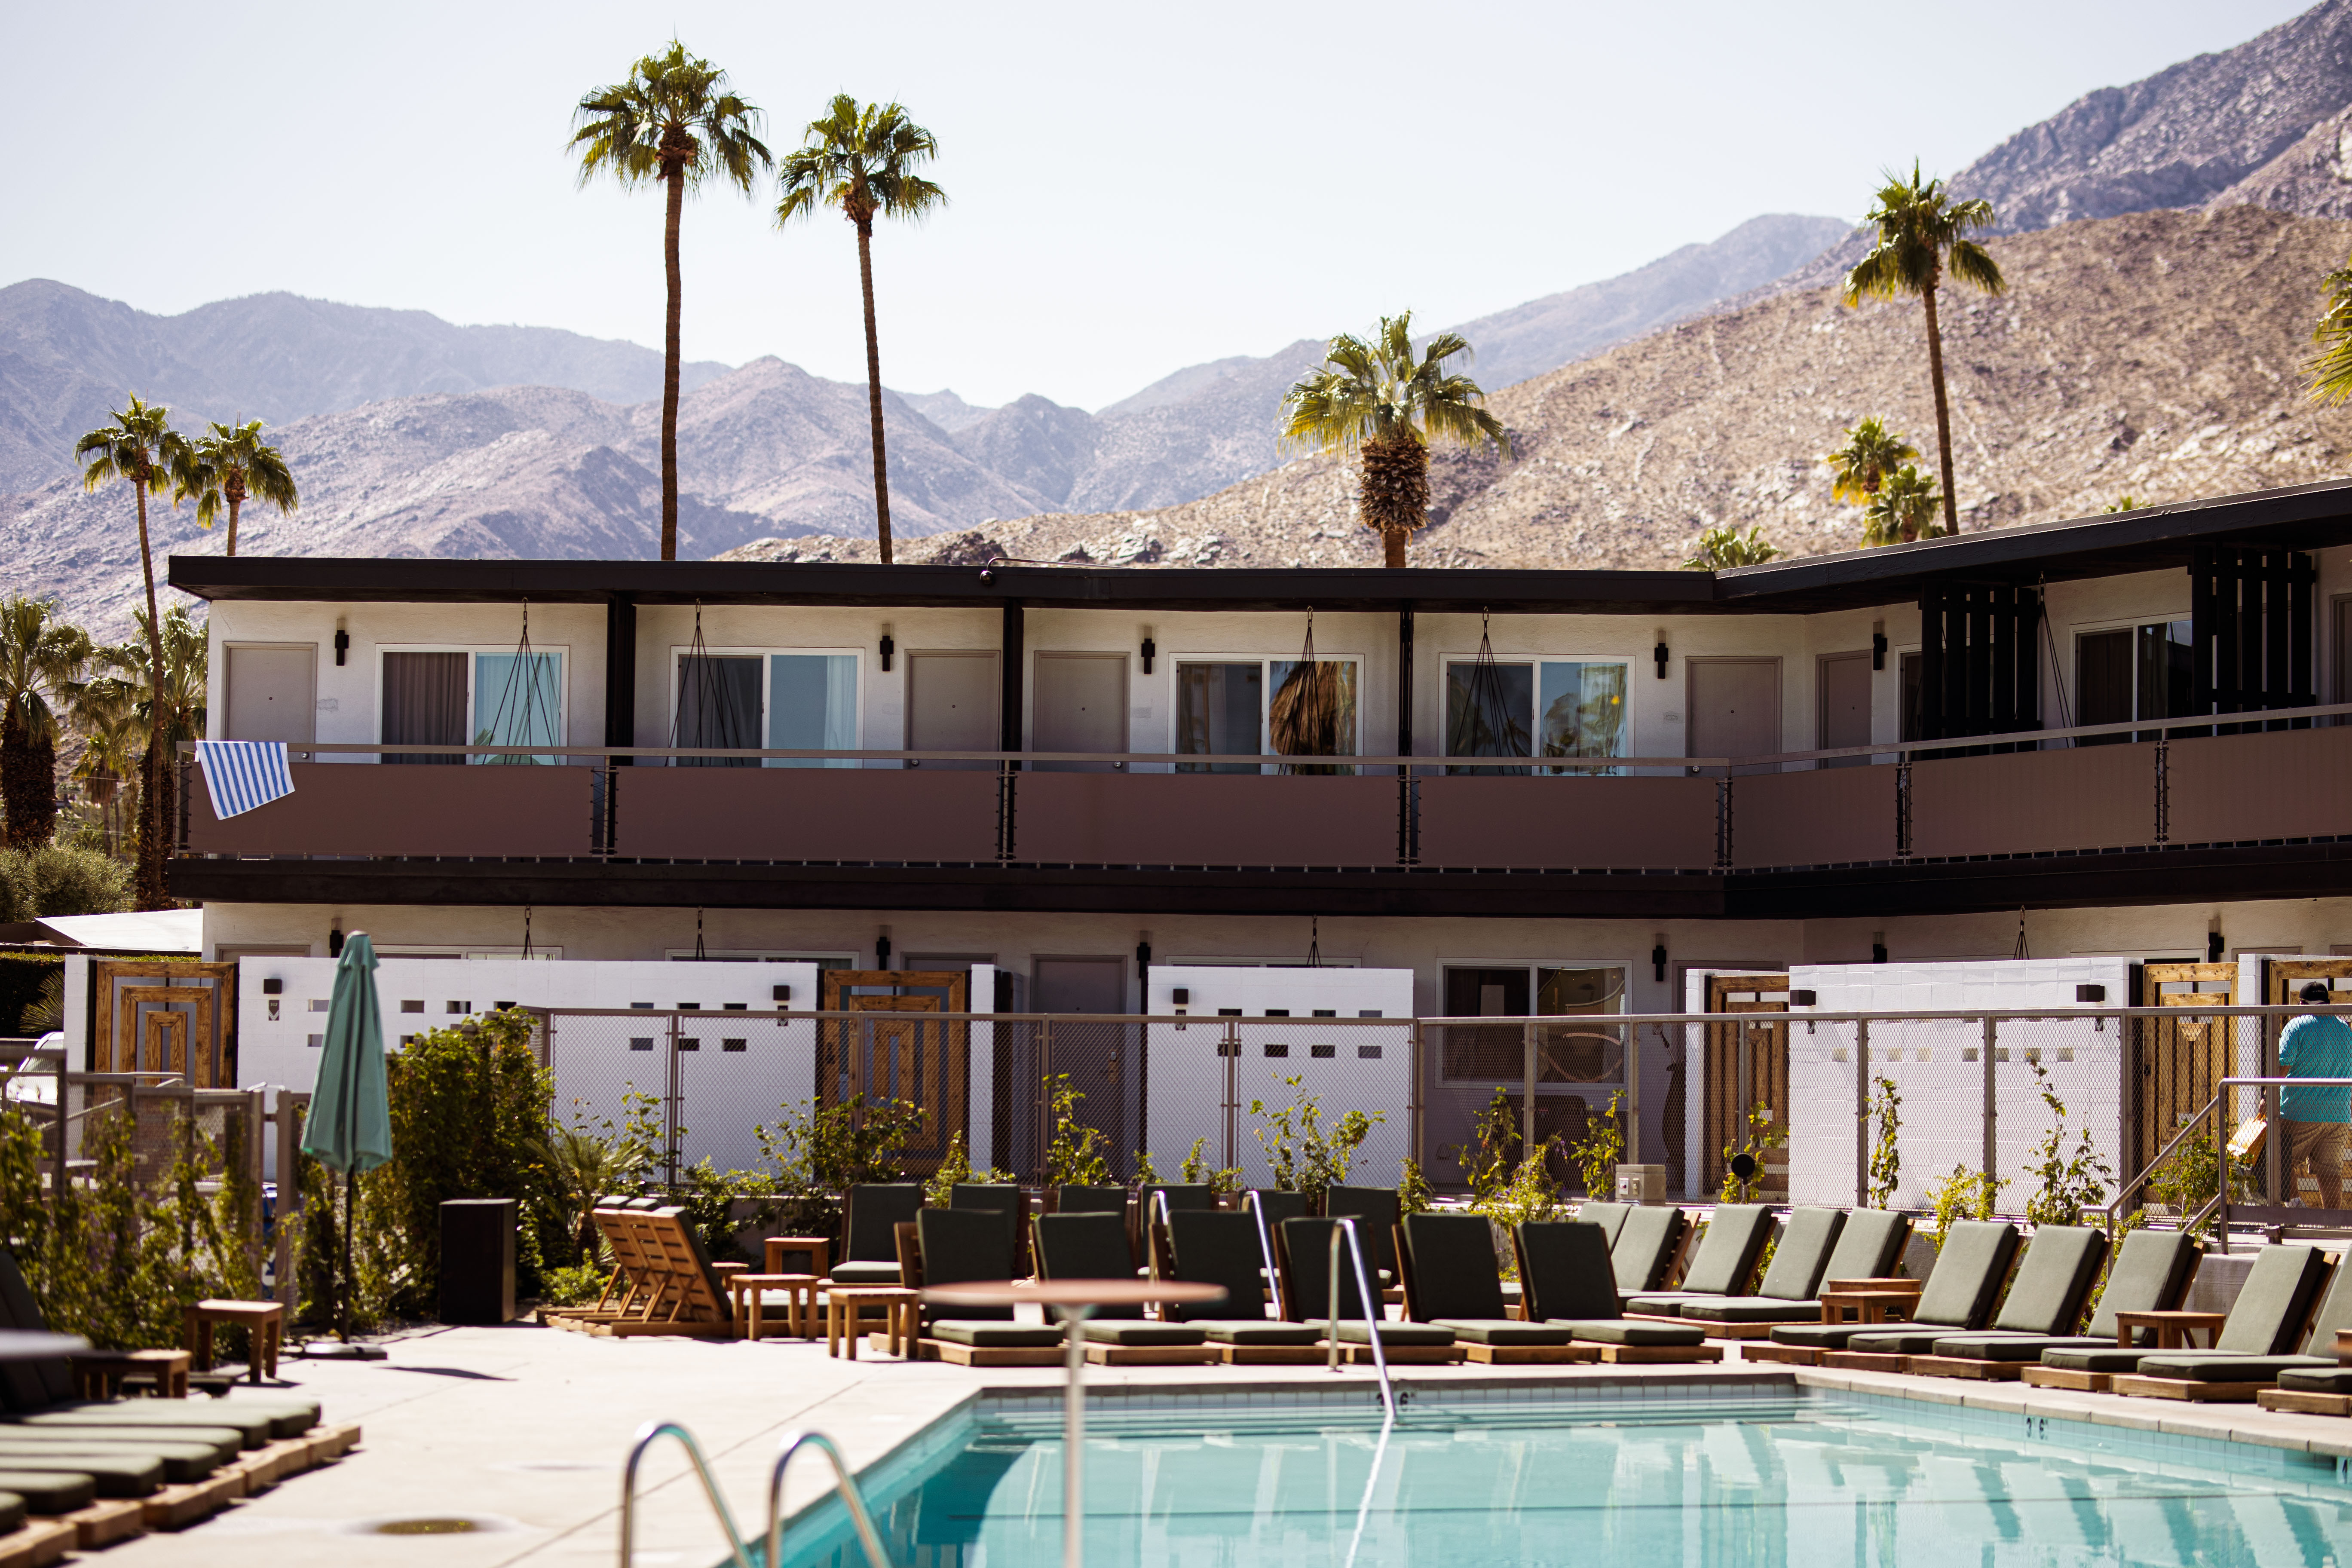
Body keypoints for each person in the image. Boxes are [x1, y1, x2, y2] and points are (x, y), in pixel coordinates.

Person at [2280, 980, 2352, 1209]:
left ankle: (2294, 1206)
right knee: (2330, 1171)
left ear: (2301, 1003)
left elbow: (2280, 1070)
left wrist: (2266, 1097)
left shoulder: (2297, 1026)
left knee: (2280, 1158)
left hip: (2299, 1111)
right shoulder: (2345, 1029)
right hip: (2339, 1114)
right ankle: (2332, 1224)